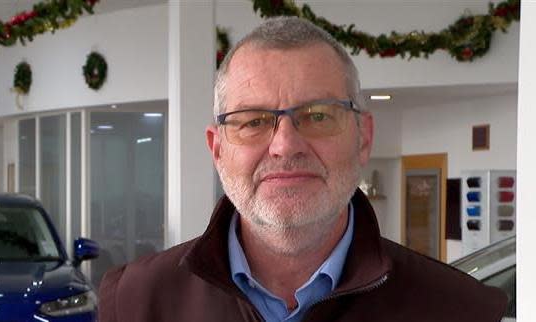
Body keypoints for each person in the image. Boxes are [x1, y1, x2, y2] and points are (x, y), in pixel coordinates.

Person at [99, 17, 506, 322]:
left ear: (363, 137)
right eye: (253, 120)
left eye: (317, 116)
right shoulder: (136, 302)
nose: (284, 145)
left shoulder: (460, 310)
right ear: (217, 149)